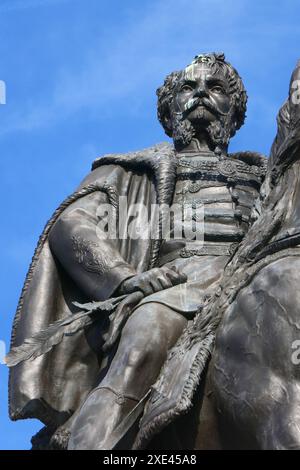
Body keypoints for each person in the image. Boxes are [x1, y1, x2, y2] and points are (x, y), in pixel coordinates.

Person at [8, 53, 266, 449]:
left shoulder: (268, 178)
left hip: (258, 284)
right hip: (178, 289)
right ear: (169, 111)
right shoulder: (130, 174)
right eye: (189, 87)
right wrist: (126, 279)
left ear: (235, 109)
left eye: (215, 88)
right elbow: (73, 226)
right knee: (143, 344)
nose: (201, 94)